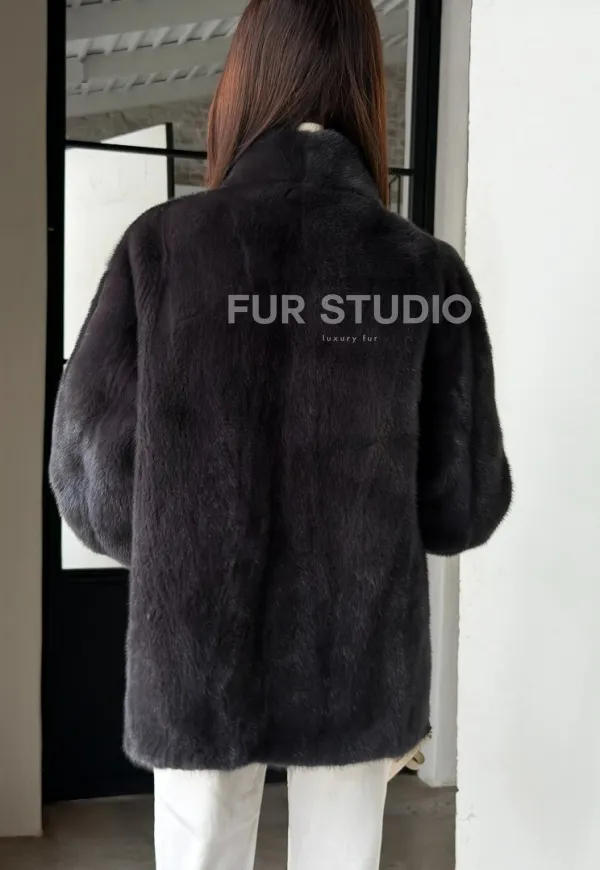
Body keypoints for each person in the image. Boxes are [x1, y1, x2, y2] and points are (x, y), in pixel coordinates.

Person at [49, 0, 512, 867]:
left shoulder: (162, 247)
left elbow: (90, 481)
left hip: (197, 643)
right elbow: (465, 502)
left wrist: (182, 545)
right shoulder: (423, 270)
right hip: (356, 648)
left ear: (242, 83)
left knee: (199, 853)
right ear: (366, 89)